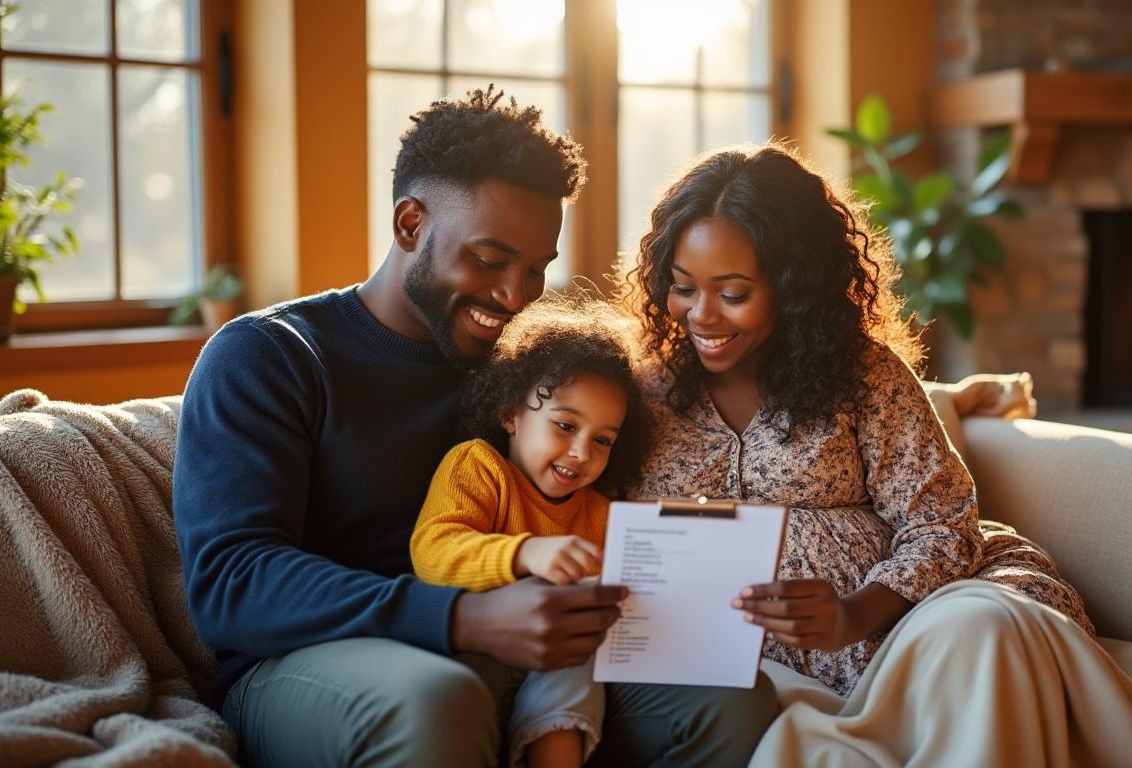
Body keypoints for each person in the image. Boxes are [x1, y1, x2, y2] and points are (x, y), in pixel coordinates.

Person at [173, 87, 779, 768]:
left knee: (733, 699)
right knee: (436, 700)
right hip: (312, 663)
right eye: (489, 261)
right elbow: (231, 582)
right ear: (410, 225)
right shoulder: (271, 355)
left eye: (535, 269)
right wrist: (461, 618)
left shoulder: (527, 371)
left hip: (520, 652)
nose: (515, 295)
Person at [619, 144, 1132, 767]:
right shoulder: (640, 396)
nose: (702, 315)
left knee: (988, 629)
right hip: (745, 656)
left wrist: (853, 615)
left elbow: (941, 523)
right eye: (683, 288)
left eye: (733, 293)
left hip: (907, 617)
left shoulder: (862, 374)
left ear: (794, 285)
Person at [409, 297, 647, 767]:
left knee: (576, 645)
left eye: (602, 440)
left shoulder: (600, 513)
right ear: (510, 414)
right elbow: (431, 552)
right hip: (471, 657)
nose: (581, 452)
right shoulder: (478, 467)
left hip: (557, 676)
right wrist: (525, 554)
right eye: (564, 425)